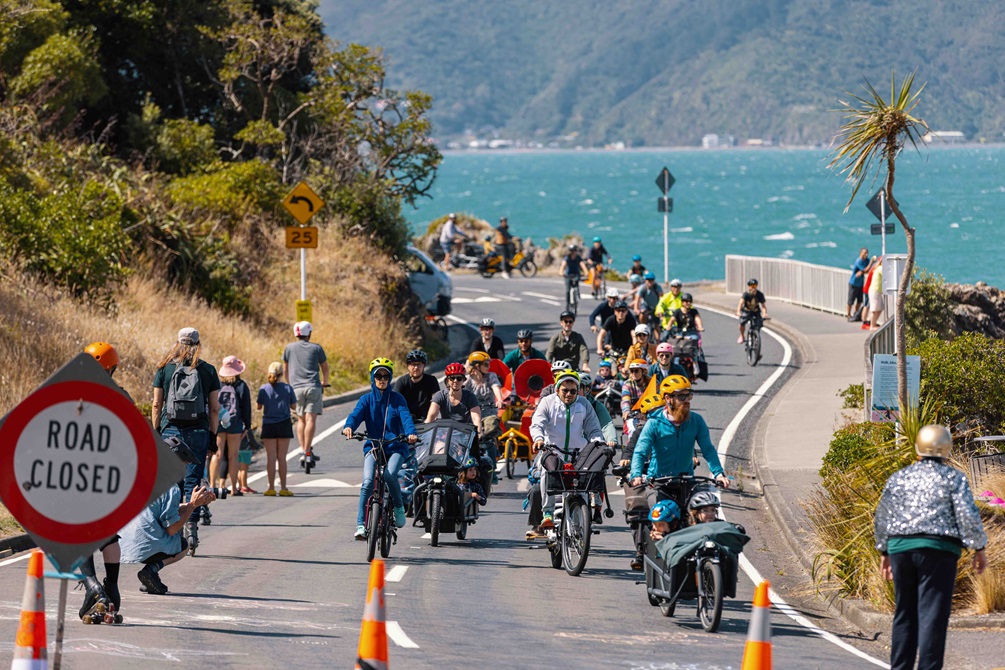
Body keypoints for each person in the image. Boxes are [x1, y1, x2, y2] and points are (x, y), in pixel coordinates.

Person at [874, 425, 988, 670]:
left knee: (904, 612)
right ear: (946, 449)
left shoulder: (900, 476)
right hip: (939, 551)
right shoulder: (954, 478)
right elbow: (967, 514)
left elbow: (883, 514)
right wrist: (979, 547)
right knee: (932, 617)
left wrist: (884, 550)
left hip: (901, 549)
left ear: (918, 447)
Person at [151, 327, 221, 553]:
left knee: (172, 482)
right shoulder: (208, 370)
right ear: (198, 344)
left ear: (177, 343)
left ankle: (173, 528)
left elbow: (156, 404)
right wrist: (212, 436)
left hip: (170, 431)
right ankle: (191, 527)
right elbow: (214, 409)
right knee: (193, 479)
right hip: (198, 432)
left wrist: (155, 431)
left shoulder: (164, 368)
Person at [118, 436, 217, 595]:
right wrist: (192, 506)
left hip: (121, 546)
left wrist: (193, 503)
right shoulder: (171, 488)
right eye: (184, 464)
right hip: (143, 547)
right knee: (182, 545)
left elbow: (156, 510)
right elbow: (172, 529)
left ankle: (150, 579)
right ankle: (151, 570)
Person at [78, 342, 127, 622]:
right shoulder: (121, 395)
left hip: (82, 474)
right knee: (109, 534)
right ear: (112, 368)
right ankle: (112, 586)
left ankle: (92, 586)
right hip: (110, 477)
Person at [342, 358, 418, 539]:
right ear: (372, 377)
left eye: (386, 375)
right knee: (368, 481)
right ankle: (360, 525)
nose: (382, 379)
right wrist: (349, 427)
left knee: (390, 475)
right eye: (378, 375)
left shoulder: (397, 399)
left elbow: (406, 418)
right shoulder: (366, 400)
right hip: (374, 446)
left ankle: (399, 507)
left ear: (390, 377)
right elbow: (355, 416)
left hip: (397, 446)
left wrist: (410, 433)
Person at [530, 370, 605, 528]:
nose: (569, 394)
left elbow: (594, 430)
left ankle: (584, 520)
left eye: (573, 391)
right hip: (552, 451)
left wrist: (599, 443)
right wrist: (538, 439)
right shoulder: (547, 402)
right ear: (557, 389)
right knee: (547, 474)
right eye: (565, 390)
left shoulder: (584, 404)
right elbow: (537, 423)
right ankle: (548, 514)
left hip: (579, 454)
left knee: (584, 483)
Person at [630, 375, 730, 489]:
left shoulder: (697, 421)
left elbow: (708, 450)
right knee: (663, 507)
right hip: (658, 483)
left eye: (689, 395)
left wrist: (719, 474)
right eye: (681, 396)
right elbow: (640, 452)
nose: (687, 400)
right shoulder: (654, 423)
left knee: (704, 505)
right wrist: (636, 475)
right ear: (668, 398)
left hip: (686, 482)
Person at [283, 321, 330, 467]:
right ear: (309, 333)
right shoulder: (316, 348)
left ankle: (303, 451)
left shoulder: (289, 348)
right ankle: (307, 451)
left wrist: (289, 384)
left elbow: (285, 370)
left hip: (296, 388)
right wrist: (325, 381)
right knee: (311, 420)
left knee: (300, 420)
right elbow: (325, 367)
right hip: (313, 387)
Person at [214, 355, 253, 496]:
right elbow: (246, 408)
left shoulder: (218, 385)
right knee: (233, 456)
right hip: (235, 424)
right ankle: (234, 488)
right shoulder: (241, 386)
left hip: (218, 424)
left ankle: (213, 486)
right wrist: (247, 426)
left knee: (217, 454)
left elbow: (212, 405)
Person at [257, 361, 297, 496]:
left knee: (271, 458)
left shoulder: (264, 388)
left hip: (268, 424)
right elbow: (293, 407)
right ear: (281, 374)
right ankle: (284, 488)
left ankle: (271, 487)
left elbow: (258, 406)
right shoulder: (287, 388)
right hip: (284, 423)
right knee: (282, 458)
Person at [465, 351, 504, 465]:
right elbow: (460, 392)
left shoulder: (491, 376)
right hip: (472, 414)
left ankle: (492, 469)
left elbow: (496, 387)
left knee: (488, 438)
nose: (488, 367)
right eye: (486, 364)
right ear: (477, 366)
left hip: (489, 412)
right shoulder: (468, 379)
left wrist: (500, 399)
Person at [426, 363, 482, 427]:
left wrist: (479, 433)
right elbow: (430, 418)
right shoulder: (440, 396)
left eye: (459, 378)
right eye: (452, 378)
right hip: (445, 433)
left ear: (463, 380)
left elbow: (476, 419)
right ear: (447, 380)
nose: (455, 381)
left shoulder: (470, 397)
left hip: (466, 434)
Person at [393, 350, 441, 424]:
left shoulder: (431, 380)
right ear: (408, 366)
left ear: (424, 366)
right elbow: (394, 403)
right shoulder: (401, 381)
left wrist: (429, 419)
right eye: (412, 364)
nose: (415, 367)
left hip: (427, 421)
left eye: (419, 364)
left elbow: (437, 401)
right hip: (406, 422)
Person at [578, 373, 617, 444]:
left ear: (586, 389)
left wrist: (611, 440)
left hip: (590, 444)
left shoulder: (596, 405)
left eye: (577, 388)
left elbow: (607, 425)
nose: (573, 391)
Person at [736, 279, 768, 345]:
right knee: (741, 323)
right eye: (751, 286)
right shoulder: (746, 294)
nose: (753, 288)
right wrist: (738, 312)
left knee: (758, 324)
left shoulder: (760, 294)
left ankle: (756, 338)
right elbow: (740, 303)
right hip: (746, 311)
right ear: (749, 287)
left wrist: (764, 314)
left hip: (756, 312)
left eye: (754, 286)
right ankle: (742, 336)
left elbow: (763, 306)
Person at [560, 244, 588, 313]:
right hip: (568, 275)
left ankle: (577, 296)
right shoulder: (567, 258)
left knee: (576, 286)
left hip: (576, 274)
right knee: (568, 290)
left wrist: (586, 272)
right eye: (572, 251)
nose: (573, 252)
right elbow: (563, 265)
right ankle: (567, 305)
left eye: (574, 251)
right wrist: (561, 272)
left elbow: (582, 264)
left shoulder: (578, 257)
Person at [847, 247, 873, 321]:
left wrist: (869, 265)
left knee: (859, 300)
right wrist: (870, 263)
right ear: (861, 253)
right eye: (864, 253)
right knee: (851, 300)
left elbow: (868, 270)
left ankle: (856, 313)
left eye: (867, 253)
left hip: (860, 284)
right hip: (853, 283)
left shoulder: (867, 260)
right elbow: (865, 270)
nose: (866, 254)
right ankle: (848, 314)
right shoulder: (859, 261)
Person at [867, 256, 885, 331]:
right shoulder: (880, 268)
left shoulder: (877, 268)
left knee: (880, 307)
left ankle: (874, 323)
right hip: (875, 291)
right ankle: (872, 325)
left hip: (877, 291)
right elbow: (887, 275)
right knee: (874, 309)